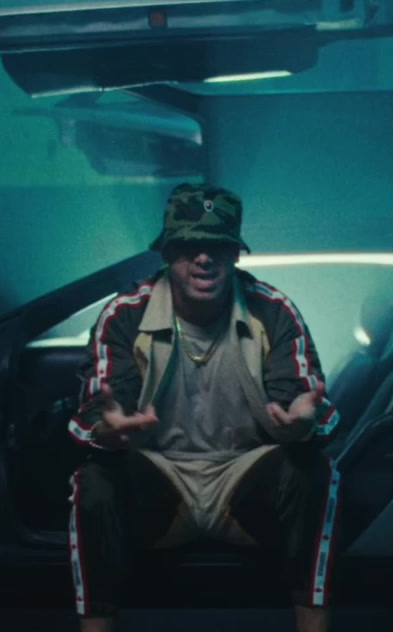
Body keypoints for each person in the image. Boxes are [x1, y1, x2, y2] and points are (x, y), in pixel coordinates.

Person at [65, 183, 341, 632]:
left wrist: (300, 426)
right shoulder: (126, 314)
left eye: (218, 246)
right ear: (166, 252)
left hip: (243, 475)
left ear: (235, 254)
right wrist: (108, 433)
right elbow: (99, 413)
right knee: (93, 481)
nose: (204, 258)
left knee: (315, 473)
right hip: (162, 477)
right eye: (188, 246)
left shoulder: (272, 310)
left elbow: (300, 400)